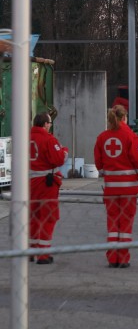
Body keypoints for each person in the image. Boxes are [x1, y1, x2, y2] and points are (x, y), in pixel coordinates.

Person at [94, 104, 138, 268]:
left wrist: (107, 172)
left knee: (112, 224)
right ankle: (123, 258)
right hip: (129, 189)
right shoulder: (131, 136)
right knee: (125, 224)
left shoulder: (102, 137)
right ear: (124, 118)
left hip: (110, 188)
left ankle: (112, 257)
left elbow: (98, 163)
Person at [29, 112, 68, 264]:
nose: (50, 126)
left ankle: (31, 251)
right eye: (50, 123)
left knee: (33, 217)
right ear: (45, 124)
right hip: (46, 183)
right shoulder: (49, 139)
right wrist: (64, 151)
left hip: (29, 183)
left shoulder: (26, 138)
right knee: (48, 217)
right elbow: (58, 160)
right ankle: (43, 254)